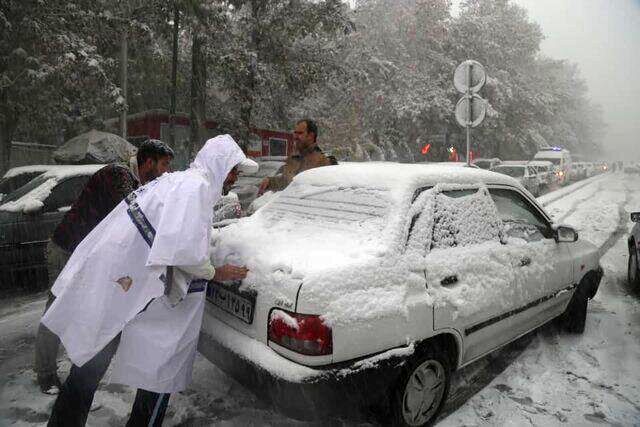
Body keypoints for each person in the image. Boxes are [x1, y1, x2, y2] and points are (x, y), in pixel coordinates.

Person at [41, 134, 256, 426]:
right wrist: (216, 272)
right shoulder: (196, 188)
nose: (235, 178)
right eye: (233, 169)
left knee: (93, 356)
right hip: (124, 279)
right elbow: (184, 250)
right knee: (153, 368)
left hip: (120, 278)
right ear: (219, 164)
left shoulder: (181, 182)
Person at [35, 139, 175, 394]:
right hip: (67, 248)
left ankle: (78, 361)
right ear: (149, 162)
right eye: (164, 165)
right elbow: (133, 213)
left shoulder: (133, 181)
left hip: (83, 254)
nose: (166, 171)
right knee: (57, 308)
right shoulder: (117, 175)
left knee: (82, 307)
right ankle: (45, 374)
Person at [258, 118, 332, 195]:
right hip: (290, 205)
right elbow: (286, 183)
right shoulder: (292, 158)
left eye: (300, 133)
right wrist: (270, 182)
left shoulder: (325, 161)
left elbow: (331, 192)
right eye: (295, 133)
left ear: (311, 136)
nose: (295, 136)